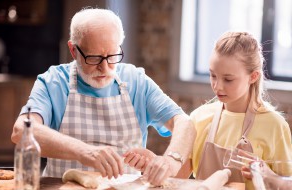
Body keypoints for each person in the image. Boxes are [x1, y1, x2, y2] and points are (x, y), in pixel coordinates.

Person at [10, 8, 196, 180]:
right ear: (73, 50)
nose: (105, 68)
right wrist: (85, 152)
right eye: (94, 58)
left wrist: (171, 162)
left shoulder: (136, 81)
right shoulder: (54, 82)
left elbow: (184, 123)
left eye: (112, 56)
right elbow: (21, 131)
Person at [124, 31, 292, 188]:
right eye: (213, 76)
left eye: (228, 79)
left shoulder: (274, 125)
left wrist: (268, 175)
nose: (217, 86)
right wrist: (154, 165)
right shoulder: (199, 118)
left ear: (253, 77)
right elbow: (176, 182)